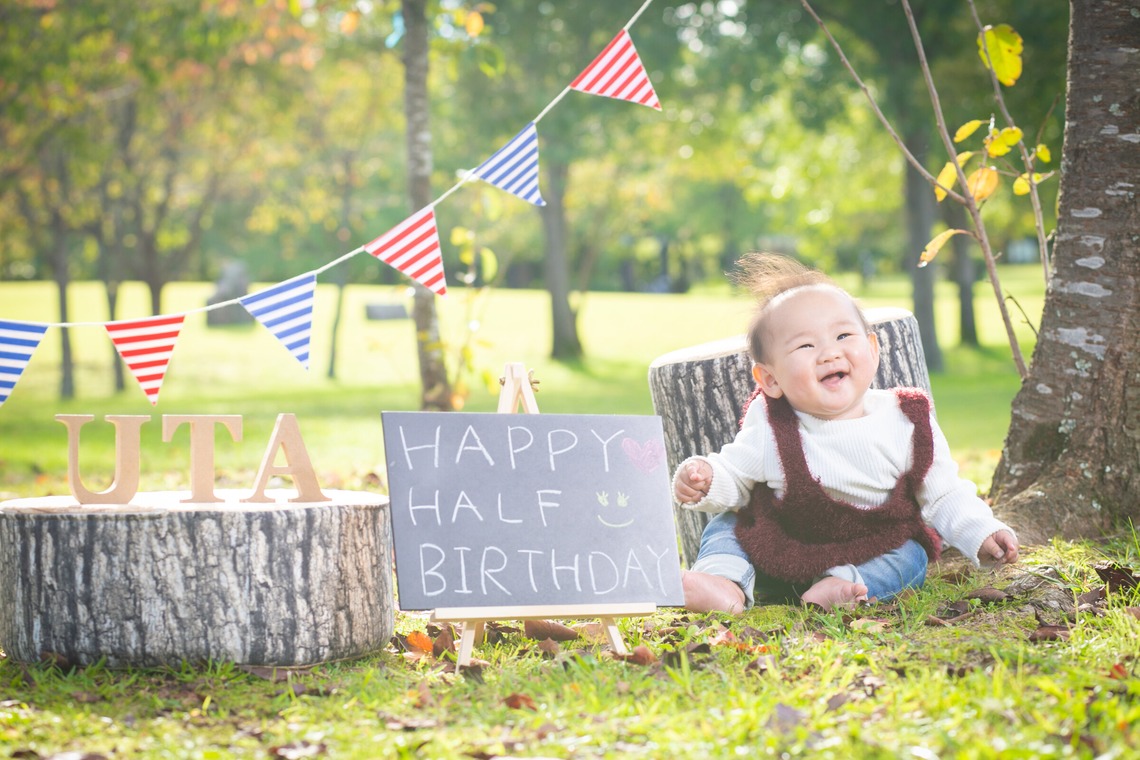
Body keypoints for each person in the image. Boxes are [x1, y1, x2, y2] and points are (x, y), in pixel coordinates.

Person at [674, 254, 1019, 612]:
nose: (828, 352)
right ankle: (723, 583)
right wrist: (707, 478)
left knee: (911, 557)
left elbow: (944, 494)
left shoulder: (906, 419)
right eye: (805, 346)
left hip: (872, 547)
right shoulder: (771, 421)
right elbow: (736, 473)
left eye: (842, 335)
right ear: (771, 380)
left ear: (872, 349)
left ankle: (840, 587)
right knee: (728, 525)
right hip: (782, 546)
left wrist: (981, 531)